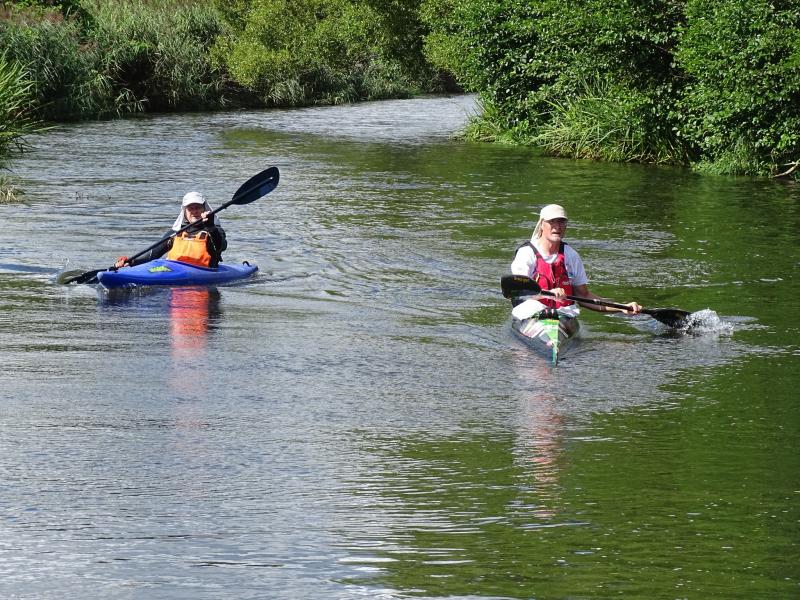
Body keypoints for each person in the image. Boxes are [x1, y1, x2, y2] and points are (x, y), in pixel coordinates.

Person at [510, 203, 641, 320]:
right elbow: (520, 292)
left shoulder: (571, 255)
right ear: (542, 225)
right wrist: (549, 294)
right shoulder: (526, 253)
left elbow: (584, 297)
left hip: (563, 314)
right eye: (552, 222)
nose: (557, 226)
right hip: (531, 313)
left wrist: (622, 307)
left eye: (561, 222)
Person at [114, 192, 227, 269]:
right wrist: (131, 262)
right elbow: (152, 254)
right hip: (175, 271)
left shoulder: (214, 230)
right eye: (190, 208)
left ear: (204, 209)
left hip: (205, 273)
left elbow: (221, 246)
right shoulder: (176, 233)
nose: (195, 211)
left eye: (198, 207)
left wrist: (210, 227)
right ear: (185, 212)